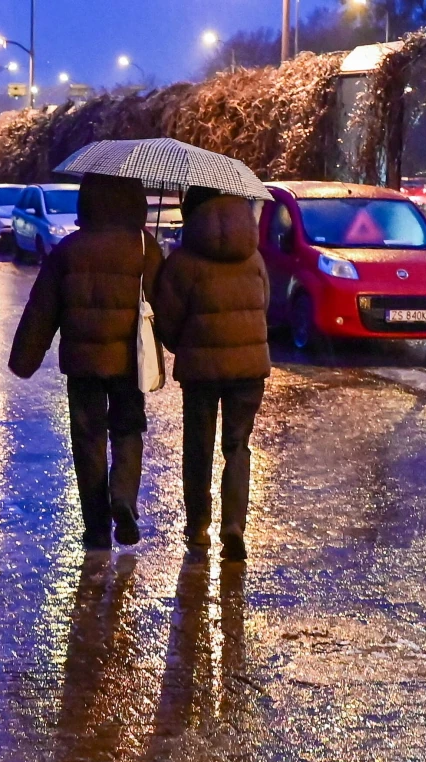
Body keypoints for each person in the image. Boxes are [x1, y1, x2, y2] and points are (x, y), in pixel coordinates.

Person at [9, 173, 163, 551]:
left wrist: (24, 359)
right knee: (128, 430)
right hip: (130, 361)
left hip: (82, 363)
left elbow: (42, 309)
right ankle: (123, 497)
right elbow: (165, 303)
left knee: (88, 441)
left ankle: (96, 529)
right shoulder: (144, 248)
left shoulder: (68, 250)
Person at [152, 186, 270, 562]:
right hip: (249, 368)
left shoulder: (183, 262)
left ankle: (198, 526)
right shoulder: (253, 258)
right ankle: (233, 524)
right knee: (238, 446)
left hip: (200, 370)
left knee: (198, 446)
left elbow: (167, 321)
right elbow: (263, 303)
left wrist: (181, 345)